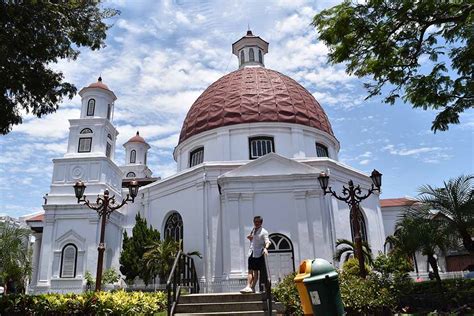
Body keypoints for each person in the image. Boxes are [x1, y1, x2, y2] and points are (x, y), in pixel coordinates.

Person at [240, 215, 270, 294]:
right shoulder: (253, 230)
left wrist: (266, 248)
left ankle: (252, 287)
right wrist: (250, 238)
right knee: (250, 271)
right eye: (255, 222)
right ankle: (248, 286)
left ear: (261, 222)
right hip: (251, 252)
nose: (256, 223)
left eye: (258, 222)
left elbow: (267, 241)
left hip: (258, 253)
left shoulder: (264, 232)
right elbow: (253, 240)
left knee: (256, 272)